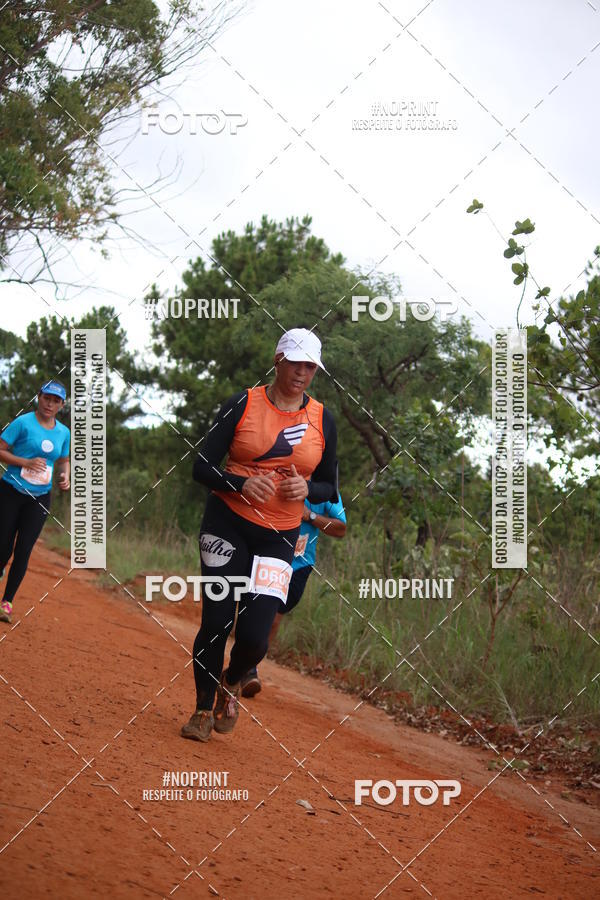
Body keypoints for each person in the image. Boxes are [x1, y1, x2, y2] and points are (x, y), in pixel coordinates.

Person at [182, 328, 338, 742]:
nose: (301, 373)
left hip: (278, 536)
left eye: (310, 367)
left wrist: (308, 488)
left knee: (254, 638)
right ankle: (202, 710)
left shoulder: (323, 419)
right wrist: (240, 483)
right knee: (217, 621)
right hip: (227, 523)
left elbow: (330, 487)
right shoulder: (243, 404)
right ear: (277, 360)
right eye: (295, 363)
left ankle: (231, 681)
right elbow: (201, 467)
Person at [241, 491, 346, 697]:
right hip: (266, 554)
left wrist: (310, 516)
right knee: (256, 615)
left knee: (273, 621)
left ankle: (248, 667)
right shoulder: (278, 476)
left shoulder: (325, 488)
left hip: (299, 564)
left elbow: (341, 528)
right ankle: (244, 668)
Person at [0, 380, 71, 624]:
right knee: (3, 547)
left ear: (61, 405)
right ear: (39, 397)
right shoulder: (23, 422)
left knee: (23, 550)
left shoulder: (63, 432)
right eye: (46, 398)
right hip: (11, 491)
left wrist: (65, 476)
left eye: (55, 401)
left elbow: (63, 460)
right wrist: (25, 462)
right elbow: (1, 449)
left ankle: (7, 603)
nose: (50, 404)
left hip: (39, 497)